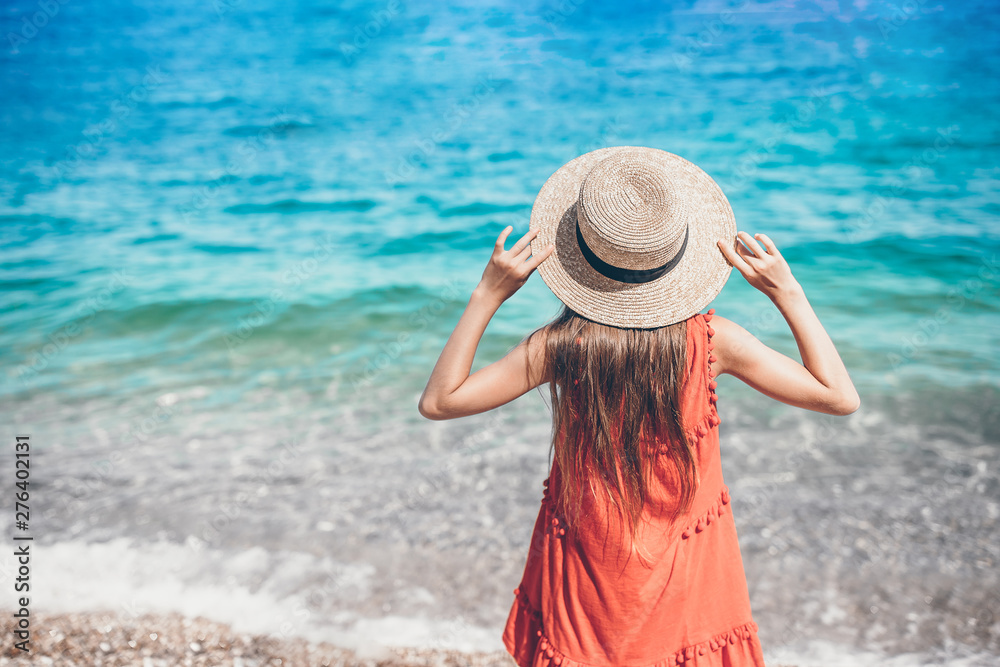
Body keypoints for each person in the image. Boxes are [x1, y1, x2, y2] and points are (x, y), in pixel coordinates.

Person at [418, 146, 859, 666]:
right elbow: (839, 396)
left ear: (582, 258)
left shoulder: (560, 346)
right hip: (685, 568)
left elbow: (440, 402)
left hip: (585, 571)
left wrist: (488, 294)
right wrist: (788, 293)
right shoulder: (715, 342)